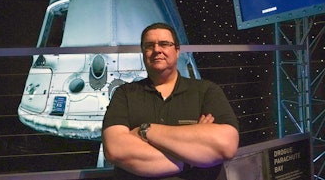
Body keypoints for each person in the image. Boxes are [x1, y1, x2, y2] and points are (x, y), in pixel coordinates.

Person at [102, 22, 239, 180]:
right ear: (143, 52)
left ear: (177, 51)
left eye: (165, 44)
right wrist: (193, 153)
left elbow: (226, 146)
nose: (157, 50)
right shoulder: (124, 94)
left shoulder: (206, 91)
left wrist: (145, 131)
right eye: (149, 45)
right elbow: (115, 149)